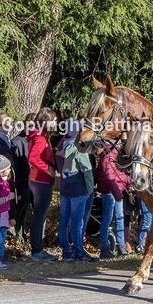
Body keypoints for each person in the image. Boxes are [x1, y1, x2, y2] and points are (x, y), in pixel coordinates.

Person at [56, 119, 95, 261]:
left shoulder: (61, 146)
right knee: (78, 222)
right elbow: (87, 170)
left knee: (64, 220)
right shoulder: (79, 148)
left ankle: (66, 251)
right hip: (79, 188)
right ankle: (78, 252)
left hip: (65, 186)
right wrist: (90, 189)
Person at [27, 108, 57, 262]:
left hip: (38, 180)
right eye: (54, 119)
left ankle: (38, 249)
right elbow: (32, 158)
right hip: (40, 181)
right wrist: (48, 169)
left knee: (40, 216)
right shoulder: (39, 137)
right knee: (39, 217)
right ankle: (37, 251)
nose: (56, 122)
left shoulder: (41, 135)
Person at [95, 143, 129, 259]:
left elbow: (125, 172)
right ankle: (105, 248)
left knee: (119, 218)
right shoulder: (109, 155)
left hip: (117, 190)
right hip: (111, 192)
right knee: (107, 219)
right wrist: (119, 192)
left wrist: (128, 187)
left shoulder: (118, 154)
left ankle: (121, 246)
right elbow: (109, 176)